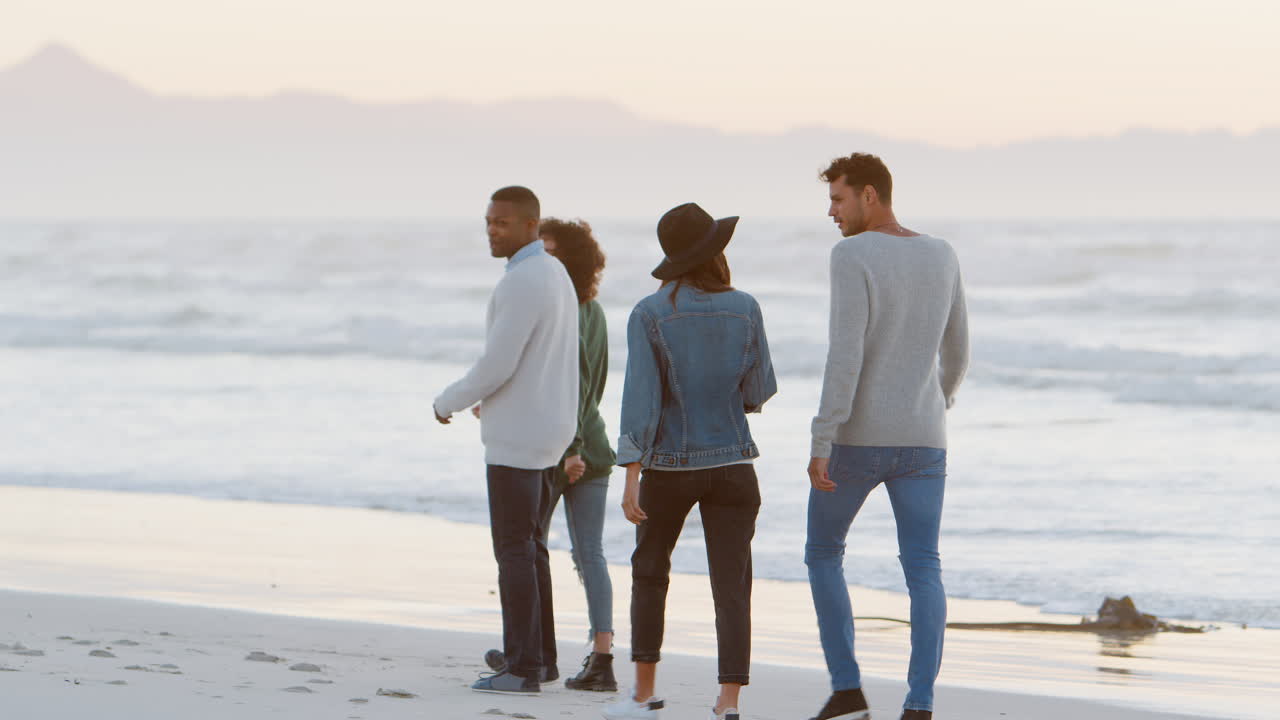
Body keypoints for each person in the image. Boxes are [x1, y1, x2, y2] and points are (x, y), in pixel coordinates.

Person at [803, 153, 969, 720]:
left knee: (823, 553)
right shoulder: (942, 253)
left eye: (838, 199)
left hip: (858, 438)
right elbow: (959, 350)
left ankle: (848, 690)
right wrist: (934, 401)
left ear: (869, 195)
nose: (832, 212)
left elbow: (844, 354)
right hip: (926, 440)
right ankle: (919, 705)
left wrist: (822, 437)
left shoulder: (851, 254)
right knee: (924, 567)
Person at [603, 203, 777, 720]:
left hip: (669, 469)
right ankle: (728, 703)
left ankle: (643, 695)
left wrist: (631, 477)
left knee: (651, 572)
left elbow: (641, 401)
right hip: (734, 466)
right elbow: (759, 390)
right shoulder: (746, 307)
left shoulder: (649, 312)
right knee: (732, 583)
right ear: (716, 252)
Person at [432, 186, 579, 695]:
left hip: (521, 436)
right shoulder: (554, 273)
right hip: (548, 429)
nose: (493, 230)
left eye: (503, 223)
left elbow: (499, 362)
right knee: (532, 548)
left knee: (514, 550)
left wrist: (447, 400)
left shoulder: (524, 281)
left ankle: (521, 669)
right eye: (489, 222)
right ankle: (538, 657)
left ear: (530, 226)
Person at [483, 217, 619, 692]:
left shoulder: (564, 309)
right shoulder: (589, 310)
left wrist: (573, 449)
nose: (540, 257)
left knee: (526, 548)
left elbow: (580, 384)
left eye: (551, 250)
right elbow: (587, 386)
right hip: (585, 446)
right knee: (578, 553)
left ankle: (533, 654)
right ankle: (586, 655)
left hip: (564, 450)